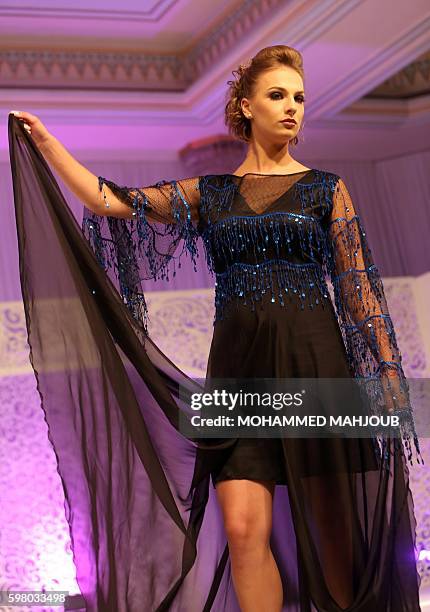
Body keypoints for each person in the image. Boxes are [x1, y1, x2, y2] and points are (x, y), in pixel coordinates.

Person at [9, 44, 423, 612]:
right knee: (244, 532)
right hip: (237, 376)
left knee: (335, 539)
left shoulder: (328, 189)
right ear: (246, 105)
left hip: (317, 369)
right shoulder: (212, 194)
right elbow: (112, 203)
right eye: (278, 95)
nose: (292, 107)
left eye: (300, 98)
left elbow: (358, 290)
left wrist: (389, 370)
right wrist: (48, 145)